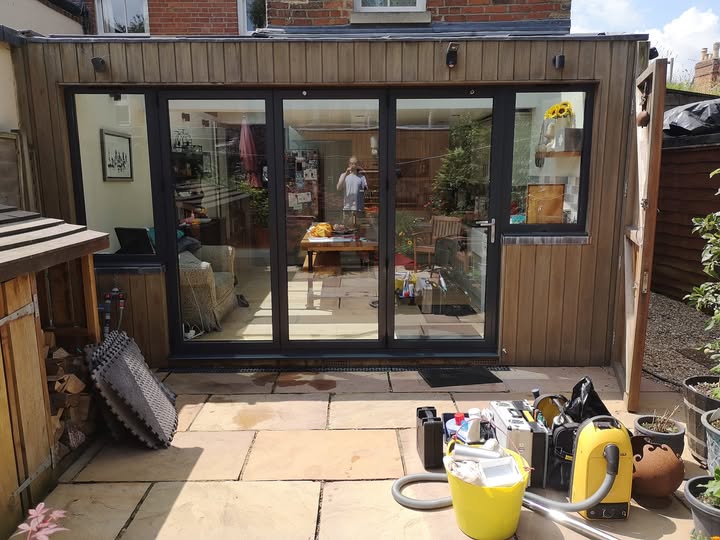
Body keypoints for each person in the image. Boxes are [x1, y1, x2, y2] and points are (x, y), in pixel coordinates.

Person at [337, 156, 367, 225]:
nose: (353, 165)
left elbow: (366, 190)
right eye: (352, 163)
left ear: (357, 165)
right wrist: (346, 173)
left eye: (355, 164)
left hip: (358, 209)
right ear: (349, 164)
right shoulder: (343, 175)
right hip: (347, 208)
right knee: (347, 230)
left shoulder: (361, 177)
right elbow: (338, 188)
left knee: (359, 230)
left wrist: (364, 172)